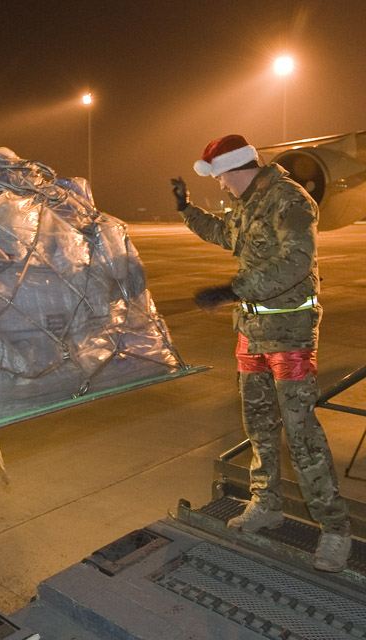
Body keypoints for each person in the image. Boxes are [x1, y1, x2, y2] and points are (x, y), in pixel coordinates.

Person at [170, 134, 352, 572]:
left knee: (300, 431)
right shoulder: (249, 203)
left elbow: (296, 264)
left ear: (236, 169)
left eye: (220, 178)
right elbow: (224, 233)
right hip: (251, 331)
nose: (221, 187)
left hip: (288, 332)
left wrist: (232, 289)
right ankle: (265, 504)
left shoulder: (291, 200)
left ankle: (335, 530)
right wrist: (186, 210)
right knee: (259, 424)